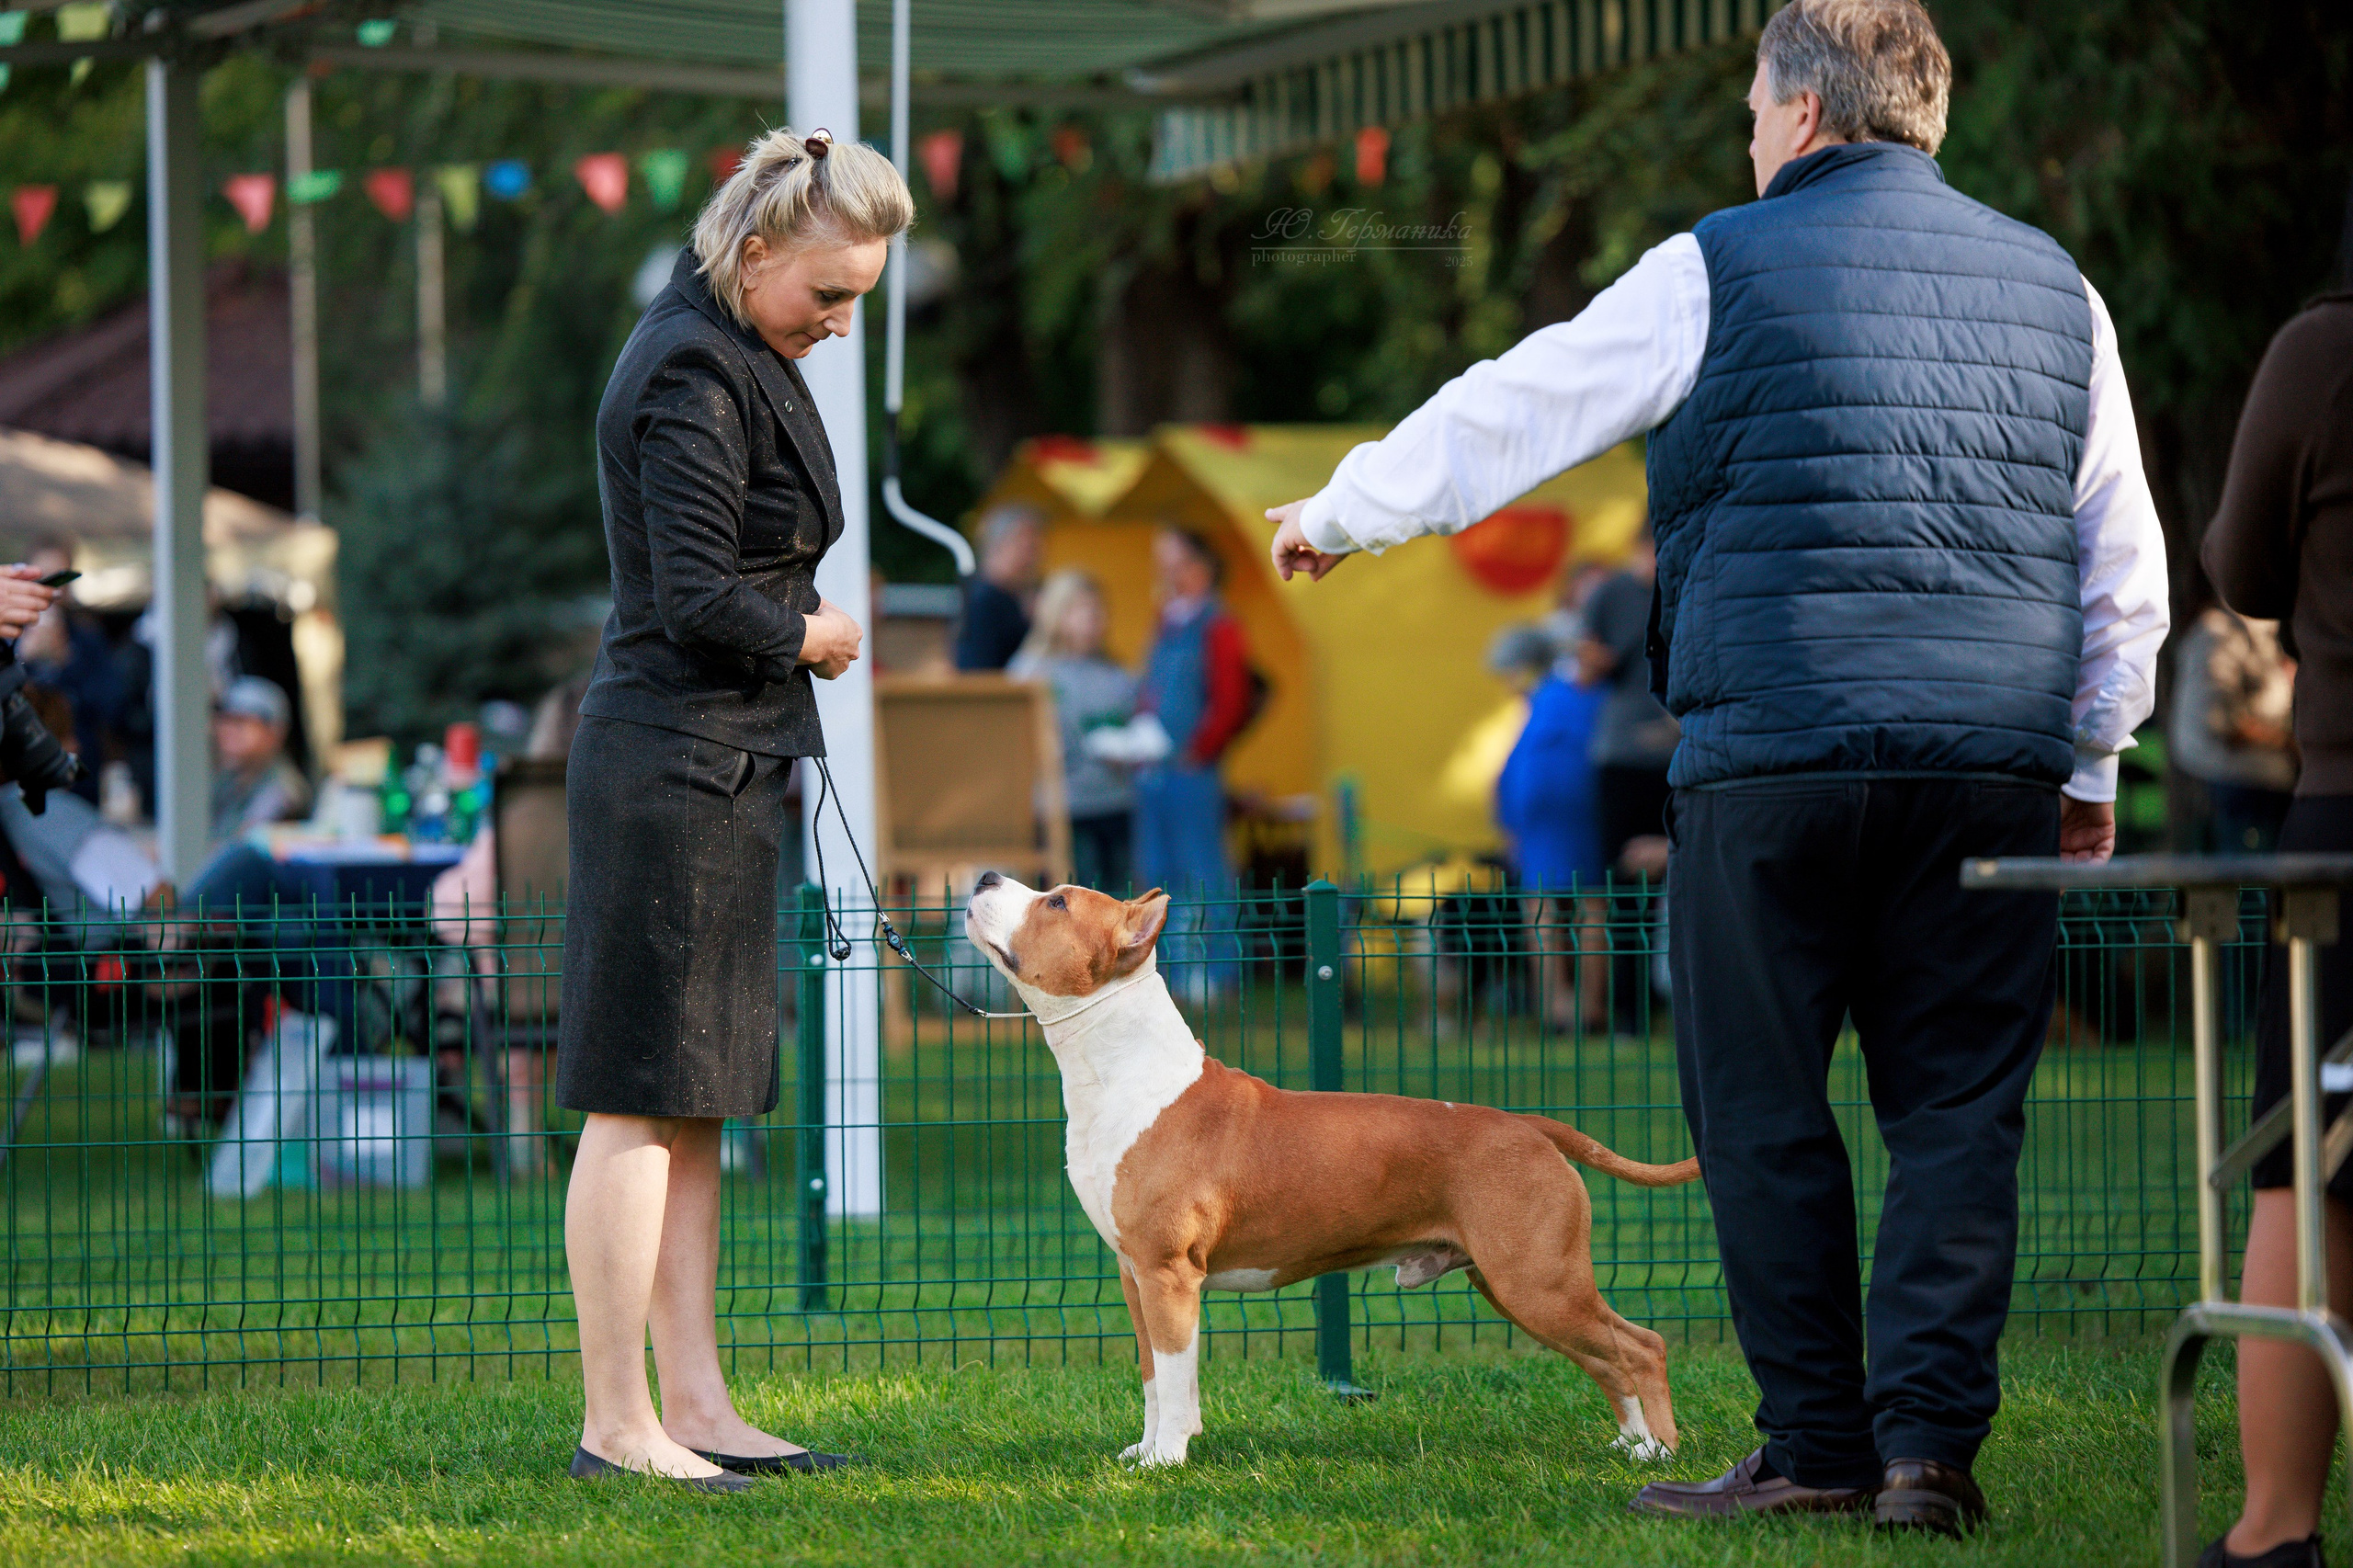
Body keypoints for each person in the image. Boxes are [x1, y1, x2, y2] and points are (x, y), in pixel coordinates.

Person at [1266, 0, 2166, 1533]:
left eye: (1754, 109)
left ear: (1805, 116)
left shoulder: (1712, 266)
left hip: (1775, 760)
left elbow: (1525, 398)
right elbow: (2119, 556)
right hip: (1986, 764)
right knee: (1958, 1112)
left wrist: (1343, 512)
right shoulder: (2060, 288)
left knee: (1762, 1106)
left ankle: (1817, 1440)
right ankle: (1929, 1456)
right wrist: (2092, 757)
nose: (1747, 136)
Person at [557, 125, 905, 1490]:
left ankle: (694, 1402)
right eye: (827, 294)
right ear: (753, 255)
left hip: (718, 761)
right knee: (637, 1098)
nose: (839, 320)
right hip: (671, 766)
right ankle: (614, 1418)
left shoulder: (735, 344)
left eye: (858, 298)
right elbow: (696, 596)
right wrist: (813, 631)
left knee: (692, 1095)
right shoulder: (695, 368)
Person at [2195, 172, 2353, 1568]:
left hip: (2350, 835)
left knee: (2309, 1173)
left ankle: (2273, 1529)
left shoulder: (2328, 347)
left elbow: (2244, 570)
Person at [1135, 528, 1254, 999]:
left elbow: (1231, 700)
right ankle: (1168, 973)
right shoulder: (1165, 621)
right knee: (1157, 870)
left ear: (1198, 567)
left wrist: (1199, 750)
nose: (1164, 572)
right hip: (1153, 769)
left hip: (1192, 770)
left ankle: (1212, 972)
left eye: (1173, 561)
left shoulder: (1219, 624)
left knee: (1202, 870)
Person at [1490, 614, 1608, 1031]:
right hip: (1582, 791)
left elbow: (1511, 768)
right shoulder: (1595, 694)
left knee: (1542, 906)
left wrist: (1506, 818)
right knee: (1591, 902)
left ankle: (1558, 1008)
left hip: (1537, 800)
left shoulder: (1541, 697)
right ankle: (1589, 1008)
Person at [1009, 569, 1140, 892]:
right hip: (1060, 811)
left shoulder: (1117, 674)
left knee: (1118, 905)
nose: (1093, 618)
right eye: (1080, 608)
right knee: (1072, 906)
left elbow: (1135, 726)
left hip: (1118, 804)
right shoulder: (1030, 672)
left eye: (1098, 609)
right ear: (1055, 613)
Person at [2169, 596, 2297, 854]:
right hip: (2239, 785)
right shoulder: (2220, 633)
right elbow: (2217, 721)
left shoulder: (2261, 634)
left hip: (2261, 786)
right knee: (2249, 883)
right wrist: (2286, 742)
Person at [17, 534, 122, 804]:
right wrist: (23, 657)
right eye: (45, 578)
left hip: (79, 774)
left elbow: (110, 706)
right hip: (19, 772)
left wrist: (67, 663)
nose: (53, 589)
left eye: (60, 578)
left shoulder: (87, 640)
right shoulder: (9, 636)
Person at [210, 676, 311, 840]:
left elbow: (241, 850)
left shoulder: (283, 790)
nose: (228, 731)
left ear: (274, 731)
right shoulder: (228, 780)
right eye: (225, 721)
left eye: (240, 722)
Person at [952, 504, 1043, 670]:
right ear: (998, 545)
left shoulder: (1018, 596)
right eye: (1028, 548)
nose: (1033, 559)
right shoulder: (983, 601)